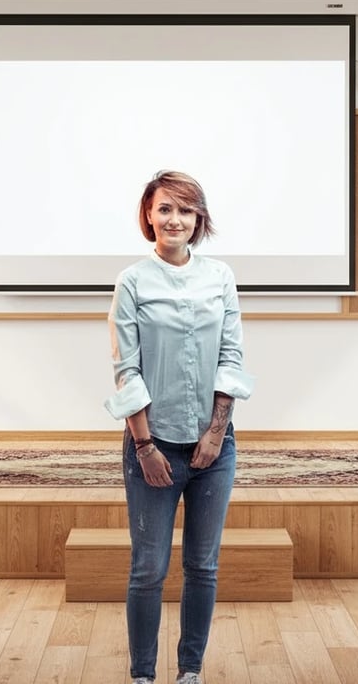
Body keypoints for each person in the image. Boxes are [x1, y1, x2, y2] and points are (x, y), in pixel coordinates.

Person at [105, 169, 255, 684]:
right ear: (149, 215)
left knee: (203, 567)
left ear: (199, 219)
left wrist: (216, 433)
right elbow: (127, 369)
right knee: (148, 570)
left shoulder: (220, 277)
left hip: (215, 448)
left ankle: (189, 671)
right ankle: (142, 675)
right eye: (165, 208)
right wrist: (144, 446)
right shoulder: (132, 281)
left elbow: (231, 358)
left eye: (185, 210)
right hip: (153, 446)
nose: (175, 219)